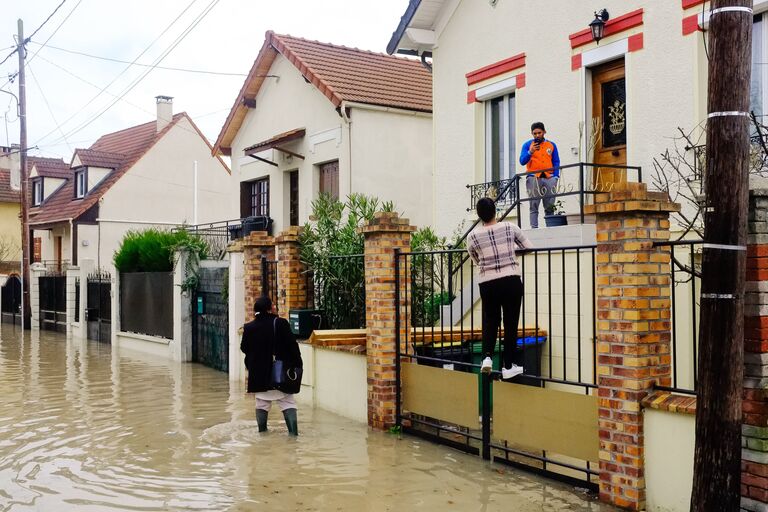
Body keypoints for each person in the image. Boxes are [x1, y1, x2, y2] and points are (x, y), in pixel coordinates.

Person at [467, 197, 533, 379]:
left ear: (479, 215)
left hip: (487, 282)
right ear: (495, 211)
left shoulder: (472, 236)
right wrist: (510, 254)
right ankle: (509, 365)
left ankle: (487, 358)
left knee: (491, 319)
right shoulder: (510, 227)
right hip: (511, 279)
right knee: (510, 322)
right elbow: (528, 247)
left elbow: (475, 258)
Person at [240, 295, 303, 436]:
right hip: (278, 373)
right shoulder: (280, 323)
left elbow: (244, 348)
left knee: (261, 402)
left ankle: (262, 434)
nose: (275, 307)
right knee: (287, 402)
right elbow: (292, 346)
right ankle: (293, 436)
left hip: (259, 374)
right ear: (269, 308)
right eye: (273, 305)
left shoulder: (249, 327)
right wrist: (296, 364)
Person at [519, 122, 561, 228]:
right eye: (535, 133)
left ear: (544, 132)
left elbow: (556, 161)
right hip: (533, 177)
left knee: (550, 206)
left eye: (539, 133)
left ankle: (550, 228)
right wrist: (530, 152)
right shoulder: (527, 145)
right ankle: (534, 229)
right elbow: (522, 161)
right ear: (532, 134)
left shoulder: (551, 145)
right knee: (533, 205)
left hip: (549, 177)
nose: (537, 135)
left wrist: (555, 177)